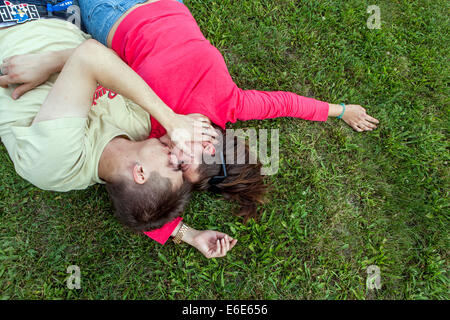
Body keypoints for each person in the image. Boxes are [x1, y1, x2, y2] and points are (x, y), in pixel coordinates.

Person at [74, 0, 380, 247]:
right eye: (181, 165)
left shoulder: (152, 131)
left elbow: (145, 204)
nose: (171, 158)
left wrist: (190, 236)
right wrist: (340, 110)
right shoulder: (231, 103)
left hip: (108, 13)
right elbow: (288, 104)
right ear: (208, 144)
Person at [0, 1, 238, 259]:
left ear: (139, 172)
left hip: (12, 20)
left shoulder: (57, 162)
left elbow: (92, 56)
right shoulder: (138, 129)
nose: (177, 152)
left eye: (174, 166)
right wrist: (188, 234)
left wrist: (171, 120)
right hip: (67, 15)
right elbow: (117, 62)